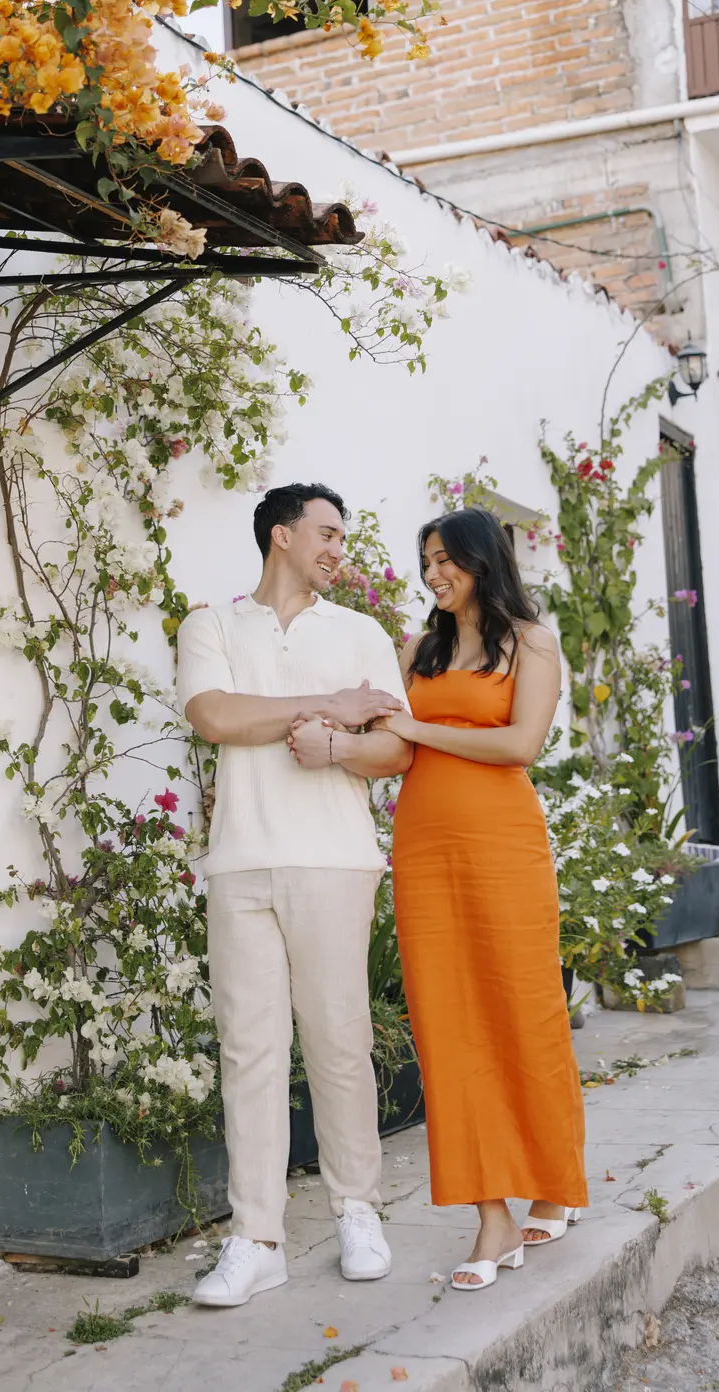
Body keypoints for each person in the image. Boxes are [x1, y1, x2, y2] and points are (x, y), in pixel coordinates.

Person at [292, 506, 586, 1291]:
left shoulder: (533, 643)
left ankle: (555, 1180)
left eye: (445, 559)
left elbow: (519, 746)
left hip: (505, 849)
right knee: (447, 1022)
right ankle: (490, 1214)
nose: (433, 574)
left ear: (483, 560)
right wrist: (337, 744)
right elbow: (390, 748)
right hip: (425, 848)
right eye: (425, 561)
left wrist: (422, 730)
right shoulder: (414, 649)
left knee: (525, 1011)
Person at [177, 483, 414, 1309]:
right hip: (240, 862)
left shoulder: (361, 632)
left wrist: (339, 743)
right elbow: (214, 715)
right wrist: (330, 702)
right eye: (326, 533)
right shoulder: (211, 624)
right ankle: (257, 1238)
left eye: (340, 536)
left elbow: (397, 751)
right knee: (249, 1051)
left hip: (334, 861)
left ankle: (357, 1211)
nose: (337, 549)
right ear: (281, 536)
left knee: (338, 1040)